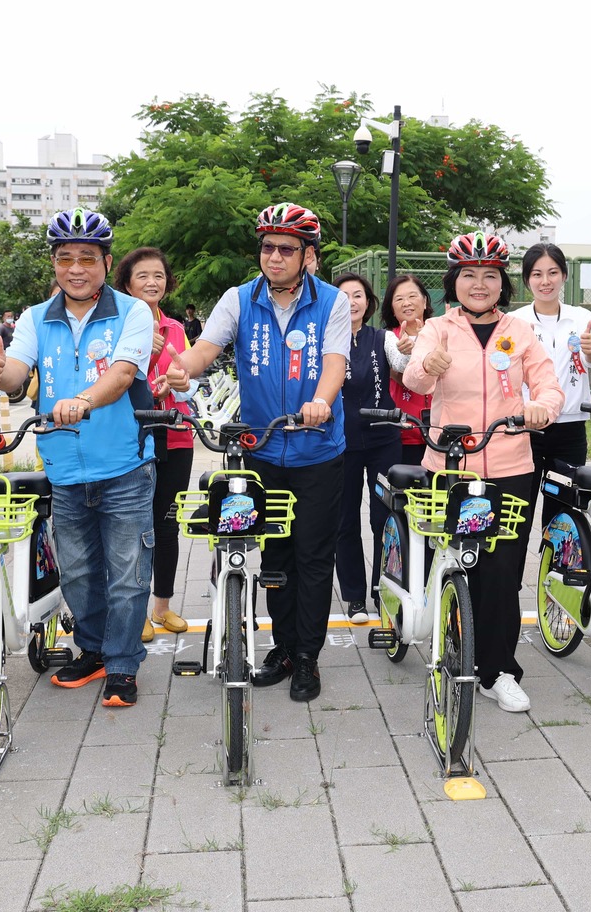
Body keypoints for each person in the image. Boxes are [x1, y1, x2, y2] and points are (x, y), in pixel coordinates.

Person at [0, 207, 165, 709]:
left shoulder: (133, 312)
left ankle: (123, 665)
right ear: (55, 264)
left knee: (127, 571)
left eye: (87, 258)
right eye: (65, 259)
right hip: (63, 466)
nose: (76, 268)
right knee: (78, 571)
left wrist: (83, 400)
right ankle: (94, 649)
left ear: (106, 262)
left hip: (125, 462)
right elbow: (17, 374)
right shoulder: (36, 318)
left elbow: (124, 373)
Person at [173, 202, 350, 702]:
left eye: (287, 249)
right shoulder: (239, 298)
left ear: (307, 255)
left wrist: (321, 401)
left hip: (318, 451)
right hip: (263, 449)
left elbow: (334, 362)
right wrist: (183, 369)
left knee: (314, 558)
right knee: (274, 555)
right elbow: (206, 348)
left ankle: (309, 656)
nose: (275, 257)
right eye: (268, 247)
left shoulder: (332, 302)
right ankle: (284, 647)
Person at [402, 231, 564, 713]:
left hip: (512, 466)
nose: (479, 284)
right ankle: (451, 643)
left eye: (489, 276)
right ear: (455, 281)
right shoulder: (438, 328)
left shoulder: (520, 330)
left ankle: (498, 670)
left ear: (501, 283)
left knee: (503, 572)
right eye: (469, 275)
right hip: (450, 464)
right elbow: (414, 379)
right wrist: (427, 366)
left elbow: (549, 385)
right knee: (453, 560)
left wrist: (541, 408)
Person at [511, 244, 591, 575]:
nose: (545, 281)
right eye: (537, 274)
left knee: (563, 513)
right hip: (525, 429)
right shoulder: (514, 321)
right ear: (527, 281)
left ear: (564, 276)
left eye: (552, 273)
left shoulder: (583, 318)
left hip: (570, 429)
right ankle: (509, 586)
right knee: (518, 512)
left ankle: (556, 588)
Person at [114, 247, 192, 642]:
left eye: (158, 275)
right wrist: (145, 361)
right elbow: (112, 380)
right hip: (131, 436)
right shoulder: (118, 326)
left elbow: (190, 382)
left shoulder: (176, 328)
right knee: (133, 525)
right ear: (127, 283)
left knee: (167, 523)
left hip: (176, 435)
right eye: (142, 276)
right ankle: (136, 610)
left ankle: (162, 607)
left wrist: (178, 381)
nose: (151, 282)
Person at [332, 273, 407, 624]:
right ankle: (354, 598)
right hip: (341, 441)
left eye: (358, 295)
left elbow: (403, 364)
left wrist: (411, 349)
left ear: (369, 301)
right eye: (344, 295)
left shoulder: (384, 337)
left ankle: (383, 590)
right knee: (345, 520)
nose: (352, 301)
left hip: (383, 439)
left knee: (384, 518)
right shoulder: (327, 340)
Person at [380, 274, 434, 467]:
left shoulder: (440, 332)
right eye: (399, 299)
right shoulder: (386, 339)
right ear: (391, 307)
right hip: (401, 433)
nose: (407, 303)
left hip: (439, 432)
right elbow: (402, 377)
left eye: (412, 296)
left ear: (425, 300)